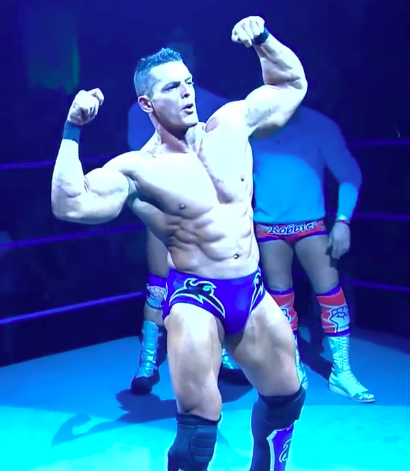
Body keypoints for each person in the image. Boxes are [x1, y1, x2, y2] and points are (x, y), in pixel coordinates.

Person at [51, 16, 308, 470]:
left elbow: (291, 86)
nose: (187, 92)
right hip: (196, 300)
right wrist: (72, 129)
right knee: (198, 432)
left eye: (188, 82)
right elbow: (69, 204)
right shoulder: (139, 168)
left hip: (250, 291)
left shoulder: (230, 125)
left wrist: (264, 40)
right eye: (173, 87)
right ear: (147, 103)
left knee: (287, 398)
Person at [223, 105, 374, 402]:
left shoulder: (320, 125)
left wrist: (343, 221)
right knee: (280, 299)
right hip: (268, 226)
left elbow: (349, 173)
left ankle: (342, 372)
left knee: (331, 294)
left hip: (311, 224)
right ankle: (291, 365)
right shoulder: (252, 125)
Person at [127, 28, 230, 395]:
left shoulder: (213, 104)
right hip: (162, 205)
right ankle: (148, 358)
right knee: (158, 282)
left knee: (215, 276)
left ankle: (224, 349)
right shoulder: (138, 111)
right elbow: (140, 161)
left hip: (204, 208)